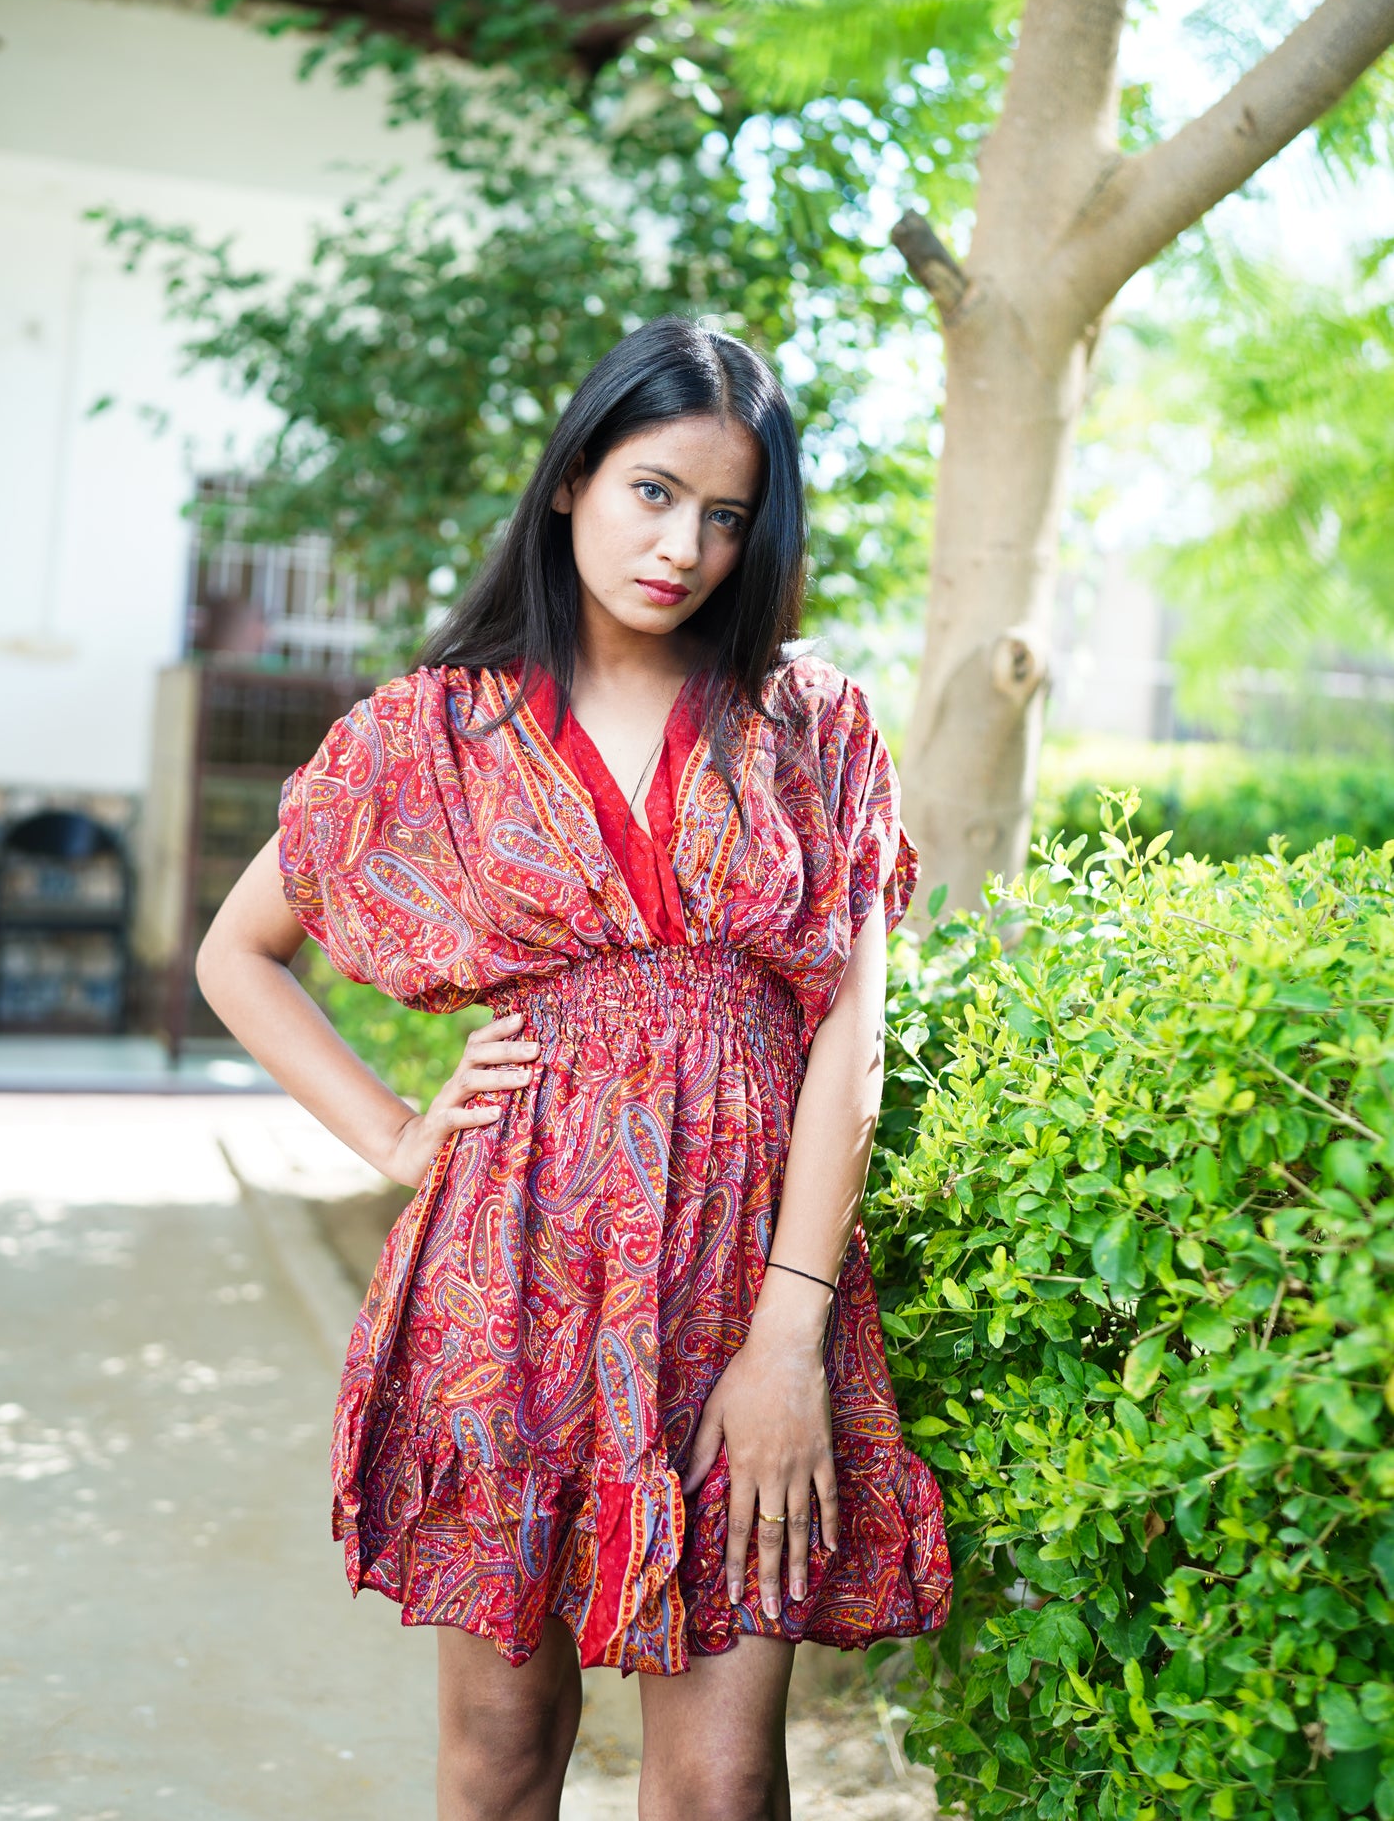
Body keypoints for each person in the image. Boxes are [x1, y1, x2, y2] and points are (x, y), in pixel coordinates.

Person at [197, 316, 951, 1821]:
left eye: (726, 515)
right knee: (499, 1752)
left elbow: (848, 1040)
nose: (683, 545)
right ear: (570, 484)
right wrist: (398, 1134)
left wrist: (786, 1344)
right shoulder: (433, 732)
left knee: (724, 1784)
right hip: (510, 1269)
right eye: (652, 491)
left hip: (750, 1276)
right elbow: (238, 952)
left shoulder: (813, 725)